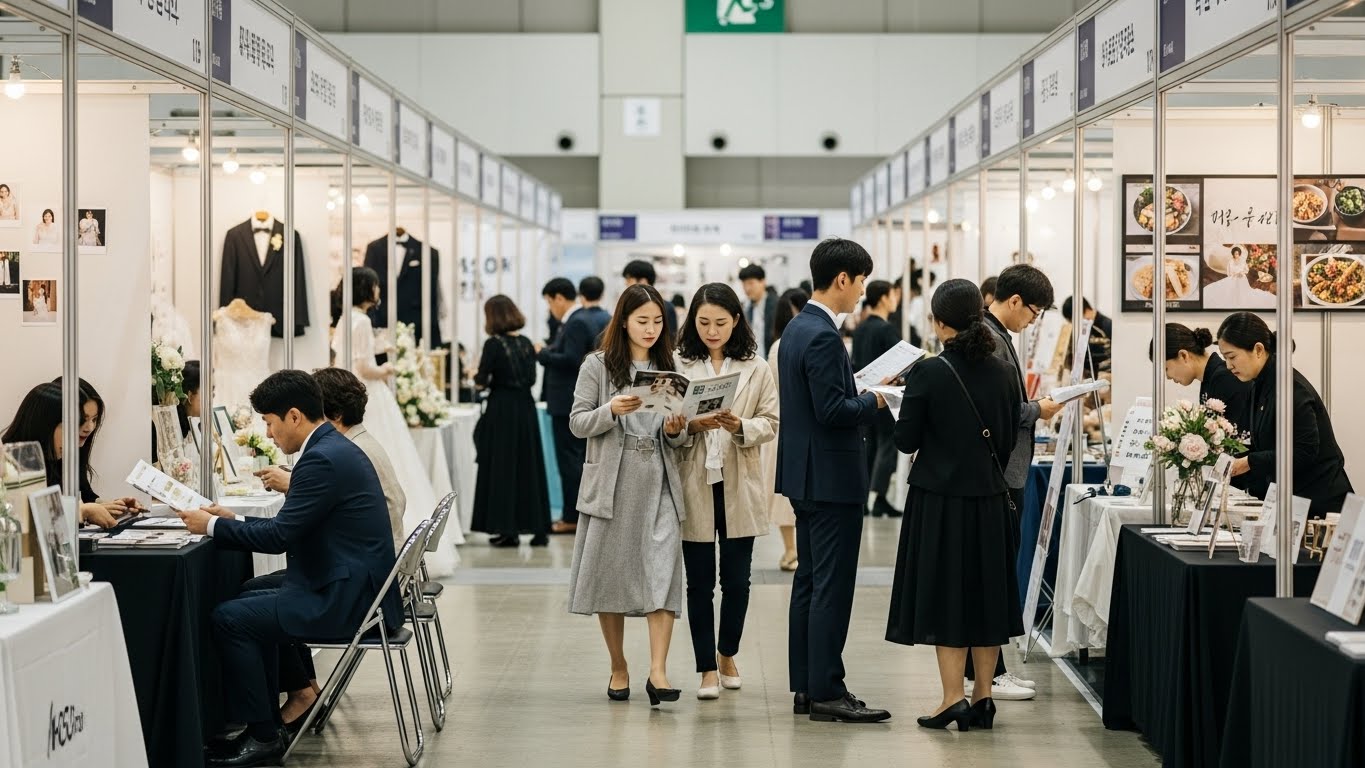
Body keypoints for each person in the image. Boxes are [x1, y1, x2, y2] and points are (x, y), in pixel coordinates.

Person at [177, 371, 400, 767]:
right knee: (247, 593)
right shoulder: (331, 448)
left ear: (294, 416)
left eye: (269, 422)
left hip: (348, 599)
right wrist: (234, 520)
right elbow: (290, 527)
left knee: (230, 618)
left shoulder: (322, 459)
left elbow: (280, 537)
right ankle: (278, 708)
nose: (270, 432)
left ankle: (263, 736)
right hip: (350, 581)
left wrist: (211, 525)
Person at [886, 279, 1023, 733]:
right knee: (985, 598)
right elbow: (1006, 442)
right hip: (989, 500)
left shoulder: (929, 373)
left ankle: (952, 699)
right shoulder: (1003, 372)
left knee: (948, 598)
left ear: (939, 322)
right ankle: (984, 698)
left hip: (940, 503)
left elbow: (906, 441)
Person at [249, 367, 408, 734]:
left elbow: (286, 533)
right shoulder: (354, 445)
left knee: (243, 609)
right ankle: (303, 686)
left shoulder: (344, 452)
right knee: (256, 590)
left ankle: (292, 699)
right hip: (370, 570)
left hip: (359, 581)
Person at [776, 238, 891, 724]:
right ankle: (827, 689)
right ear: (842, 279)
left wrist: (856, 389)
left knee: (809, 581)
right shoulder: (822, 335)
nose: (862, 291)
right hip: (830, 476)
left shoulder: (798, 328)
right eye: (861, 280)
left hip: (806, 475)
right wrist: (880, 400)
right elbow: (833, 411)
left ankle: (806, 685)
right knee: (831, 585)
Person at [566, 284, 689, 707]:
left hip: (658, 480)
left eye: (658, 321)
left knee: (663, 573)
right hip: (612, 487)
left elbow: (677, 435)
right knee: (611, 578)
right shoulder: (597, 366)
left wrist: (677, 431)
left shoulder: (669, 368)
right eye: (643, 321)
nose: (652, 329)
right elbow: (577, 423)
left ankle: (658, 671)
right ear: (623, 321)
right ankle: (619, 665)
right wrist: (611, 410)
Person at [674, 283, 779, 700]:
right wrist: (684, 428)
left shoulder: (756, 367)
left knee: (737, 581)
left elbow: (771, 422)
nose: (711, 331)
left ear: (736, 320)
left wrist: (740, 426)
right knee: (698, 584)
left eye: (720, 322)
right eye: (703, 323)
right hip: (695, 482)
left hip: (739, 483)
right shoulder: (678, 366)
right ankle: (705, 668)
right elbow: (668, 426)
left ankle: (727, 652)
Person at [332, 267, 455, 574]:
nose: (379, 291)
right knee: (391, 457)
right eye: (375, 286)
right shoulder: (359, 320)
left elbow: (344, 359)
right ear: (367, 289)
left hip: (355, 390)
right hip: (371, 393)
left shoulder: (346, 319)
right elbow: (363, 368)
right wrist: (388, 370)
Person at [975, 264, 1060, 701]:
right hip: (1001, 472)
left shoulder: (994, 336)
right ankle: (988, 675)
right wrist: (1038, 409)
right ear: (1013, 302)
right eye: (1034, 312)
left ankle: (991, 671)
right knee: (993, 576)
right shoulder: (990, 341)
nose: (1033, 320)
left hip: (1004, 469)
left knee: (995, 573)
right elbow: (1000, 410)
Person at [256, 367, 407, 551]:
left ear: (336, 415)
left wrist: (292, 483)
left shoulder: (351, 450)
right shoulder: (359, 440)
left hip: (366, 554)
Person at [1217, 312, 1352, 516]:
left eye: (1232, 357)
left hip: (1321, 507)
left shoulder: (1290, 388)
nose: (1228, 366)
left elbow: (1304, 452)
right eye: (1225, 358)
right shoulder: (1259, 384)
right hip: (1292, 502)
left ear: (1258, 349)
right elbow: (1261, 443)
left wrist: (1248, 462)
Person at [2, 381, 140, 528]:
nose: (89, 428)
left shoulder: (56, 458)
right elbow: (28, 521)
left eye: (94, 419)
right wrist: (82, 511)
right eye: (74, 424)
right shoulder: (10, 466)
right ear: (44, 425)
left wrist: (101, 508)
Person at [473, 295, 551, 547]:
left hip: (502, 409)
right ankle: (538, 527)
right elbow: (529, 378)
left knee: (503, 468)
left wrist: (476, 376)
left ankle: (508, 529)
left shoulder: (493, 344)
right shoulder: (527, 342)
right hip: (525, 408)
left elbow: (482, 379)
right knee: (529, 465)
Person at [538, 276, 611, 535]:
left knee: (570, 462)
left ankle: (572, 516)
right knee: (578, 460)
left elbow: (572, 359)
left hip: (568, 401)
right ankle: (578, 513)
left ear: (559, 297)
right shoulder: (593, 318)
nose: (550, 308)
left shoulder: (577, 321)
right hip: (578, 401)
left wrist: (543, 353)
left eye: (549, 301)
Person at [764, 288, 808, 572]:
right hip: (787, 427)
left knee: (787, 497)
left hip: (785, 426)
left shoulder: (779, 345)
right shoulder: (785, 346)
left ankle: (793, 550)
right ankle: (792, 550)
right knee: (788, 498)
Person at [851, 279, 903, 519]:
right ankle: (879, 496)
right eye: (894, 294)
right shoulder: (886, 329)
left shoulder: (861, 328)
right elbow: (900, 363)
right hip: (884, 396)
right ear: (884, 297)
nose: (896, 299)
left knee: (869, 446)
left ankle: (864, 498)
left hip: (863, 396)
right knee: (888, 445)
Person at [1150, 323, 1252, 430]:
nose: (1168, 377)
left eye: (1166, 369)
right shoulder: (1211, 378)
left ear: (1183, 355)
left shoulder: (1224, 379)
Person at [622, 259, 677, 338]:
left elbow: (670, 339)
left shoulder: (666, 308)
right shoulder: (626, 305)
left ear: (643, 281)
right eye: (642, 322)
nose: (626, 283)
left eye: (629, 279)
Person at [1061, 296, 1113, 377]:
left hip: (1107, 382)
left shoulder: (1108, 326)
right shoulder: (1086, 328)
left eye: (1073, 321)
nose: (1075, 326)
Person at [739, 264, 779, 358]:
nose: (747, 288)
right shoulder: (748, 308)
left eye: (750, 283)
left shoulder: (776, 304)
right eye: (744, 284)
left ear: (763, 281)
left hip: (773, 360)